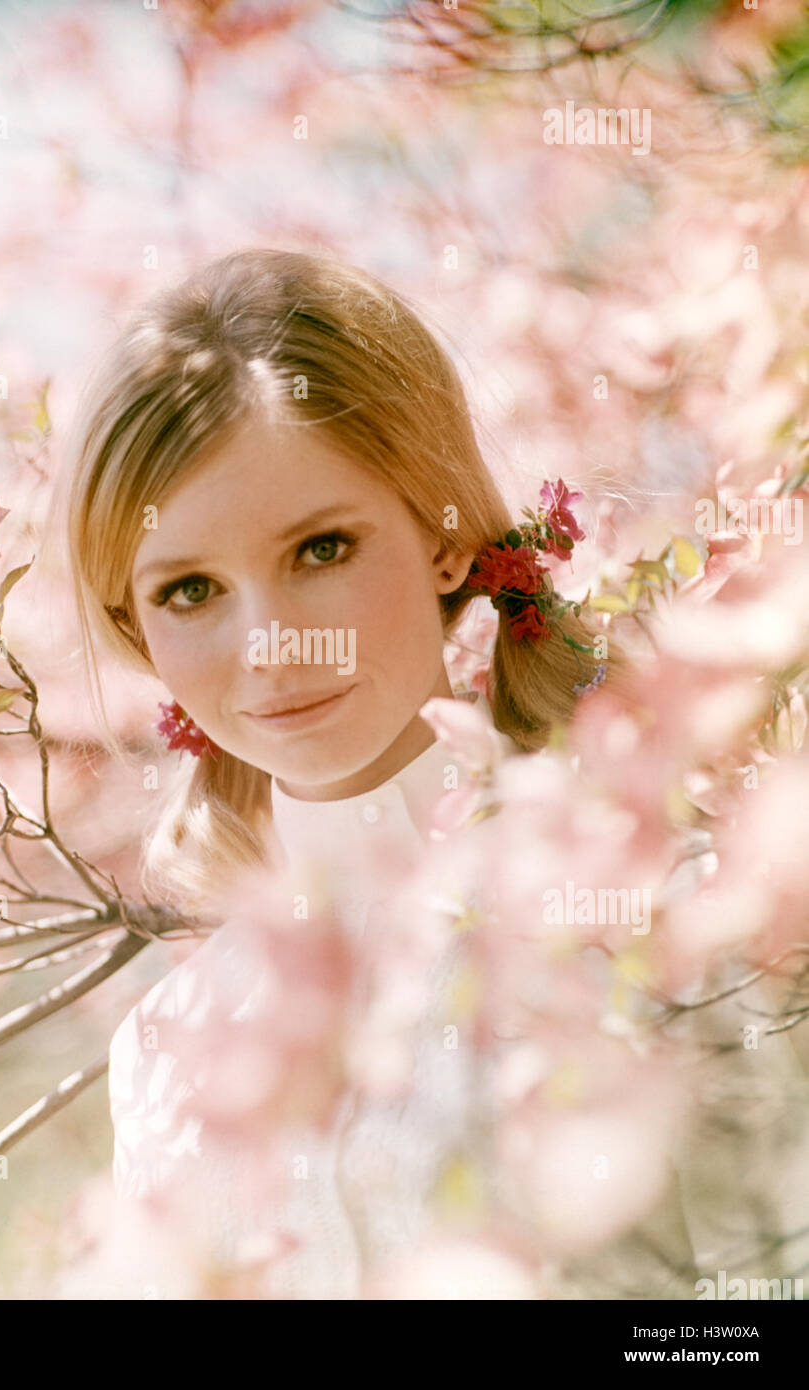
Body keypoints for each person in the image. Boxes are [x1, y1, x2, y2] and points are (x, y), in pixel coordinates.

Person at [59, 247, 696, 1299]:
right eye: (190, 590)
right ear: (138, 630)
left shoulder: (653, 898)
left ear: (444, 539)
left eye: (319, 550)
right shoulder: (166, 1054)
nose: (268, 646)